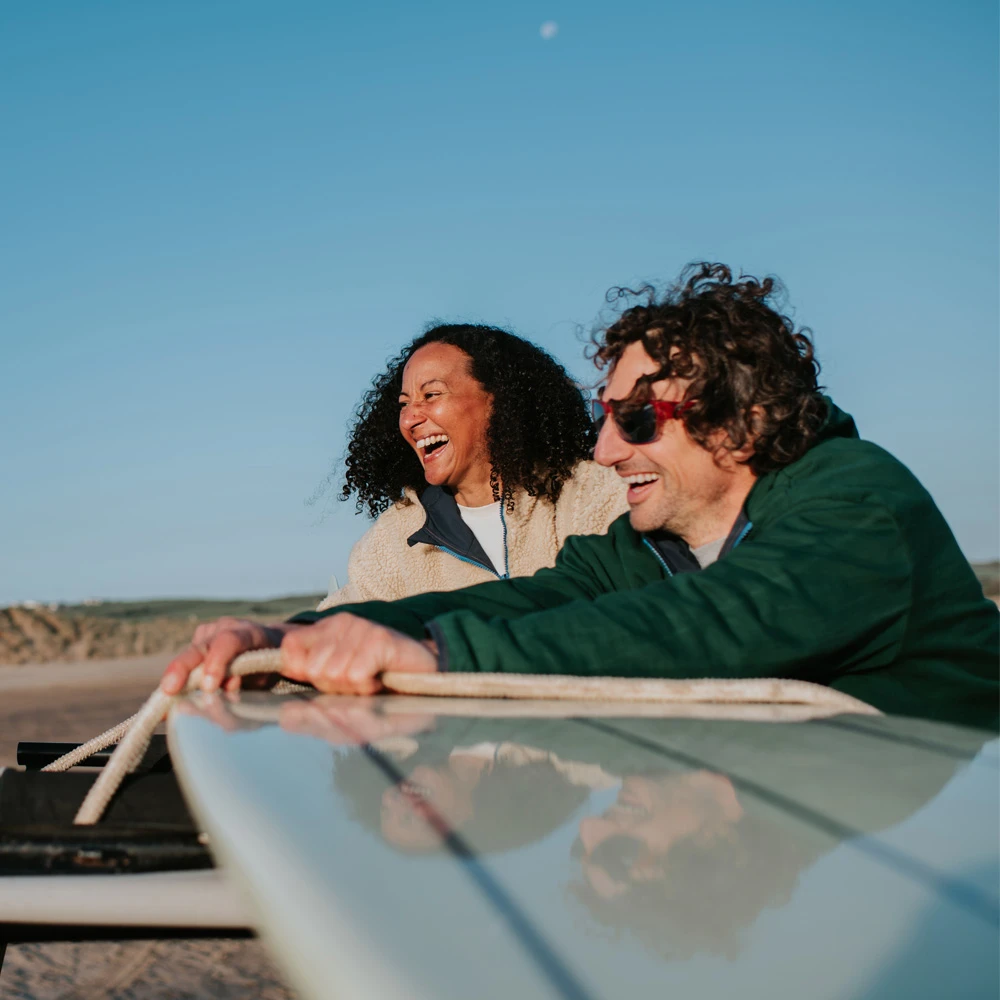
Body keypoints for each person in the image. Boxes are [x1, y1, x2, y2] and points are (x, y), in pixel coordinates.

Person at [162, 264, 999, 731]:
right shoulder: (643, 550)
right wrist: (283, 636)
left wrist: (445, 660)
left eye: (636, 418)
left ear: (741, 424)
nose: (603, 449)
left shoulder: (858, 500)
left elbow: (722, 622)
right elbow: (523, 603)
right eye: (604, 418)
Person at [317, 323, 627, 608]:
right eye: (404, 404)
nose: (410, 418)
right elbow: (342, 626)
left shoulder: (592, 491)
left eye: (431, 394)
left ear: (501, 399)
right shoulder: (393, 541)